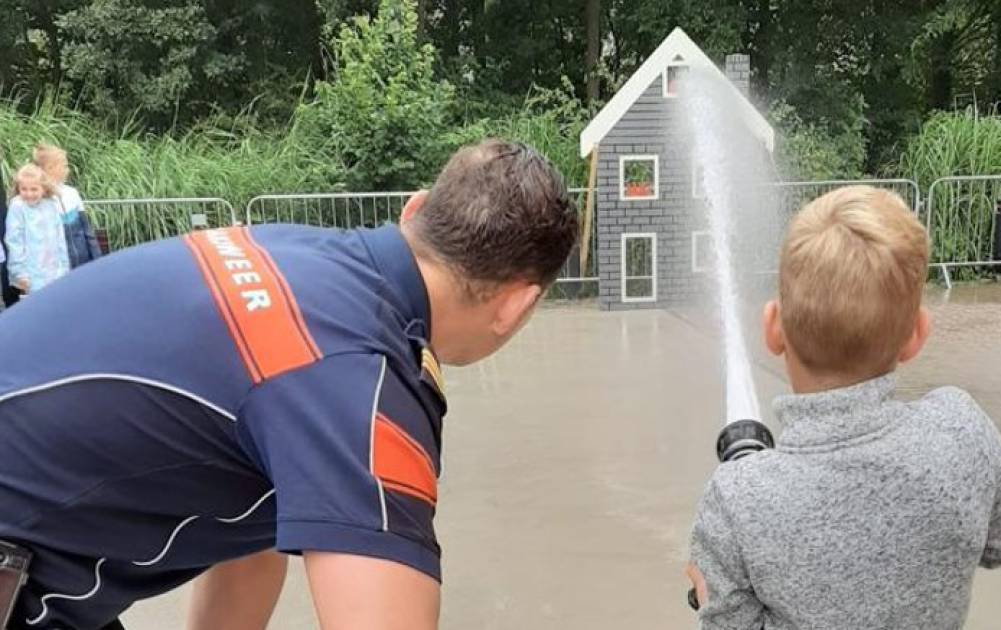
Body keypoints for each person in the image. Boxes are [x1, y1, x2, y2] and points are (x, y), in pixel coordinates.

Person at [0, 140, 578, 630]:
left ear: (413, 209)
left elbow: (246, 541)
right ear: (517, 304)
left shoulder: (294, 255)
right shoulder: (362, 389)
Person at [685, 186, 1001, 630]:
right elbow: (1000, 545)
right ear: (917, 334)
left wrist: (711, 597)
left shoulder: (738, 495)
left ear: (773, 328)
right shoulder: (961, 431)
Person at [33, 143, 102, 268]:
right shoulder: (37, 198)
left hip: (82, 262)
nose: (67, 169)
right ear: (50, 168)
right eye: (64, 165)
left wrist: (98, 259)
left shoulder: (72, 193)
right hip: (56, 267)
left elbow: (87, 231)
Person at [4, 164, 69, 295]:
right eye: (24, 189)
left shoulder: (51, 204)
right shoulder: (17, 206)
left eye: (34, 189)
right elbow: (14, 240)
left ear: (43, 189)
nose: (29, 194)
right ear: (18, 188)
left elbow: (60, 237)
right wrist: (19, 272)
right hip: (30, 273)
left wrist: (64, 267)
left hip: (54, 270)